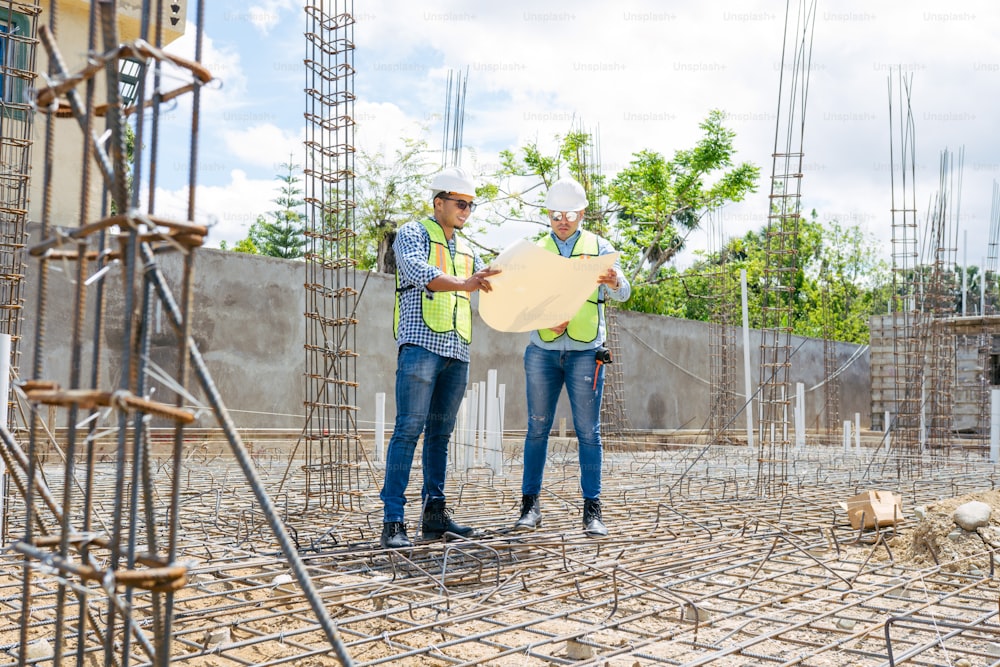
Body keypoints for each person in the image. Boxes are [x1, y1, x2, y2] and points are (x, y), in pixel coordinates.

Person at [379, 166, 500, 549]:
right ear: (439, 203)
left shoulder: (468, 248)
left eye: (471, 205)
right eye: (460, 203)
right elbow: (417, 270)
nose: (466, 210)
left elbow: (483, 287)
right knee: (408, 430)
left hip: (457, 350)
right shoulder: (413, 233)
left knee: (440, 437)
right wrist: (465, 283)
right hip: (420, 346)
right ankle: (393, 521)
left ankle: (434, 516)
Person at [513, 176, 631, 538]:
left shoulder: (599, 246)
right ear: (548, 215)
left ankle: (592, 511)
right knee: (536, 430)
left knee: (588, 433)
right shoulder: (535, 252)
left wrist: (612, 282)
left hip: (585, 353)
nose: (562, 220)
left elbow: (625, 292)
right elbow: (522, 300)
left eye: (569, 214)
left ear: (581, 214)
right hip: (542, 352)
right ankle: (530, 507)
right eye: (555, 214)